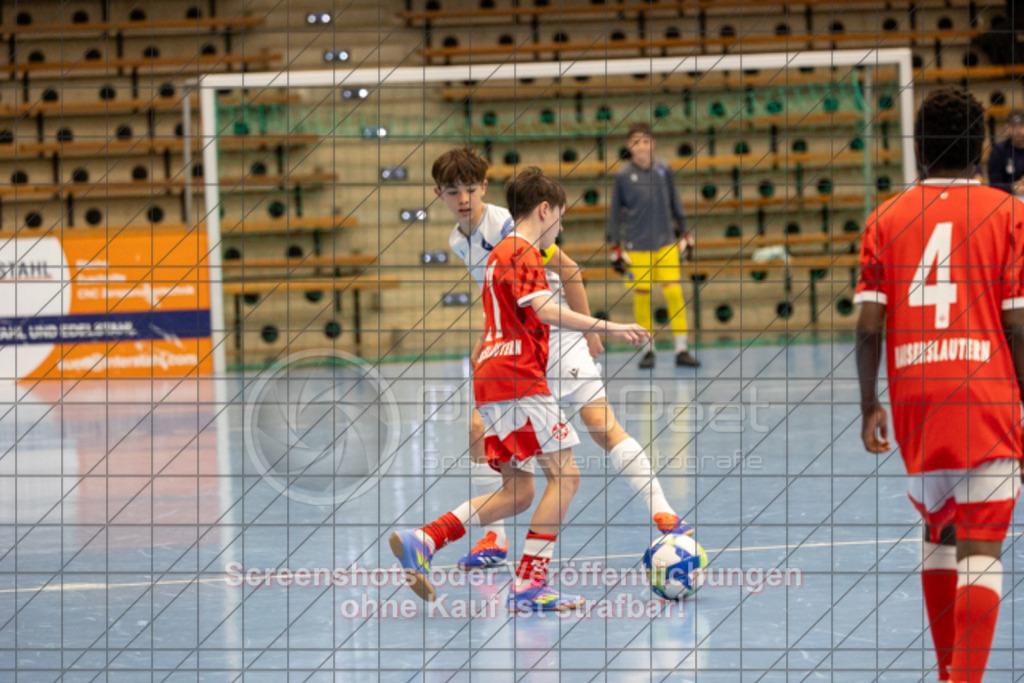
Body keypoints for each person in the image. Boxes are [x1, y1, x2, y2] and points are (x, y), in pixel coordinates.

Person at [392, 167, 650, 611]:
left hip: (492, 377)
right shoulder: (521, 251)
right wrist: (609, 327)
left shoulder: (495, 255)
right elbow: (548, 311)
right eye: (560, 218)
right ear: (544, 209)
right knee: (566, 477)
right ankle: (529, 584)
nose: (561, 228)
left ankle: (426, 538)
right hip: (517, 378)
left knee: (519, 492)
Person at [433, 148, 692, 571]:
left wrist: (590, 330)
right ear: (439, 193)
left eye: (468, 188)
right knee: (482, 432)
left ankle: (664, 513)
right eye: (452, 191)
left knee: (600, 429)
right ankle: (494, 541)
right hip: (518, 342)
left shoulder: (503, 225)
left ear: (483, 187)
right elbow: (500, 293)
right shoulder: (457, 240)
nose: (462, 198)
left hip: (553, 332)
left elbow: (568, 271)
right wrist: (489, 335)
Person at [855, 89, 1024, 683]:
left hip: (916, 398)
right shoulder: (1008, 213)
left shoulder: (885, 217)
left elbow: (869, 326)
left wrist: (869, 403)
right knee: (982, 543)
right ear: (980, 147)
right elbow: (1017, 321)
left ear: (919, 149)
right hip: (984, 392)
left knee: (939, 530)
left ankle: (947, 670)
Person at [608, 122, 698, 369]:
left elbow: (675, 202)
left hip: (666, 242)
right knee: (642, 298)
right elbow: (615, 213)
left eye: (646, 141)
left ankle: (681, 348)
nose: (642, 147)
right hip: (637, 247)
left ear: (653, 144)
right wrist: (614, 245)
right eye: (636, 142)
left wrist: (686, 232)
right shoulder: (623, 176)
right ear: (629, 146)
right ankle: (648, 349)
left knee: (673, 292)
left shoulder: (664, 169)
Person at [986, 110, 1024, 195]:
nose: (1018, 130)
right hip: (1007, 198)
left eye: (1021, 125)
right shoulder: (998, 150)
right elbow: (994, 184)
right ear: (1007, 128)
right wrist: (1012, 187)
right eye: (1014, 126)